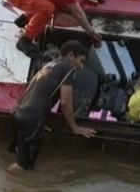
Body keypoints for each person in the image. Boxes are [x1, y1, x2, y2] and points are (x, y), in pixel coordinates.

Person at [8, 40, 95, 172]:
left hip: (18, 112)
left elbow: (33, 91)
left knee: (19, 156)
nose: (81, 66)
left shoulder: (50, 65)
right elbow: (65, 101)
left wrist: (42, 120)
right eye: (81, 61)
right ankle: (3, 187)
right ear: (71, 56)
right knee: (24, 167)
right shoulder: (69, 68)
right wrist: (74, 127)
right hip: (32, 118)